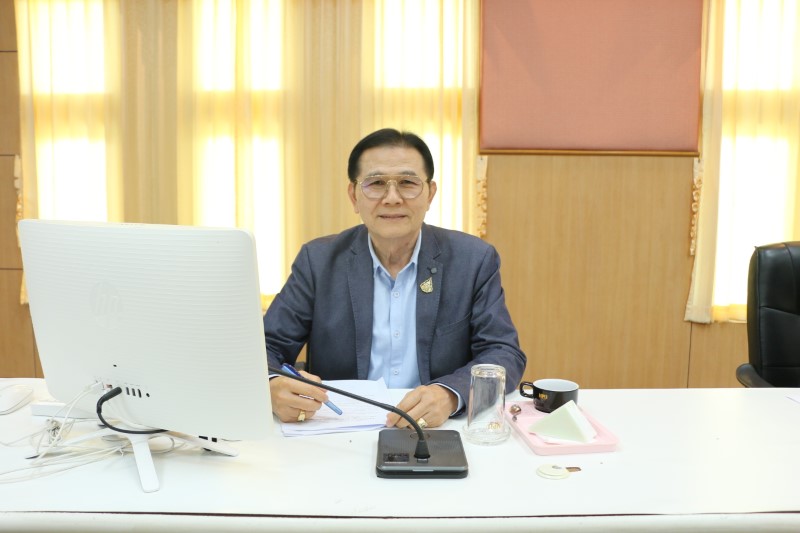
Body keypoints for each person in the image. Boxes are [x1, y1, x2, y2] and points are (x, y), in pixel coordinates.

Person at [264, 128, 526, 428]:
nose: (392, 198)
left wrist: (450, 393)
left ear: (430, 194)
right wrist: (272, 385)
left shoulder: (473, 260)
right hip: (335, 428)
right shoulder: (318, 261)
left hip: (438, 428)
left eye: (407, 183)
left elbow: (503, 352)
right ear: (354, 196)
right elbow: (266, 346)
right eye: (376, 184)